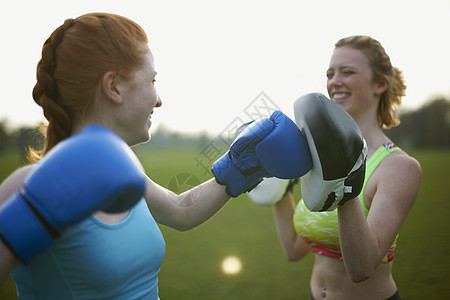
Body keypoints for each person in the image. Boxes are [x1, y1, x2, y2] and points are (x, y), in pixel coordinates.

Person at [0, 12, 309, 299]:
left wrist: (241, 164)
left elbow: (180, 210)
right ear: (114, 87)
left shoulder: (122, 167)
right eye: (152, 80)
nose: (159, 100)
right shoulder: (25, 186)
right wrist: (33, 214)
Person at [272, 35, 422, 300]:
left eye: (347, 72)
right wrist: (277, 191)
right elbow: (294, 250)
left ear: (381, 84)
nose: (334, 82)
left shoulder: (399, 168)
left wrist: (344, 181)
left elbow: (361, 268)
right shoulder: (317, 156)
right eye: (330, 73)